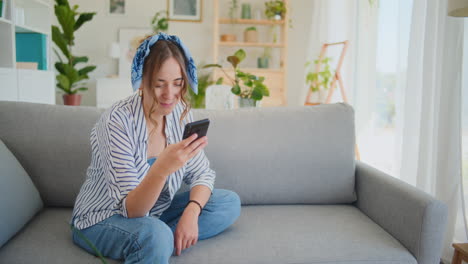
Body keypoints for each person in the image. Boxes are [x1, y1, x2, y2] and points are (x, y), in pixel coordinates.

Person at [70, 32, 241, 264]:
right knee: (155, 233)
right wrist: (161, 169)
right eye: (159, 84)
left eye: (177, 84)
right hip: (104, 217)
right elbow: (132, 210)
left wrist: (191, 212)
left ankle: (155, 243)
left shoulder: (180, 113)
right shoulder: (116, 122)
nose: (170, 95)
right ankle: (155, 241)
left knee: (227, 202)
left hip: (155, 214)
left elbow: (202, 174)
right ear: (141, 80)